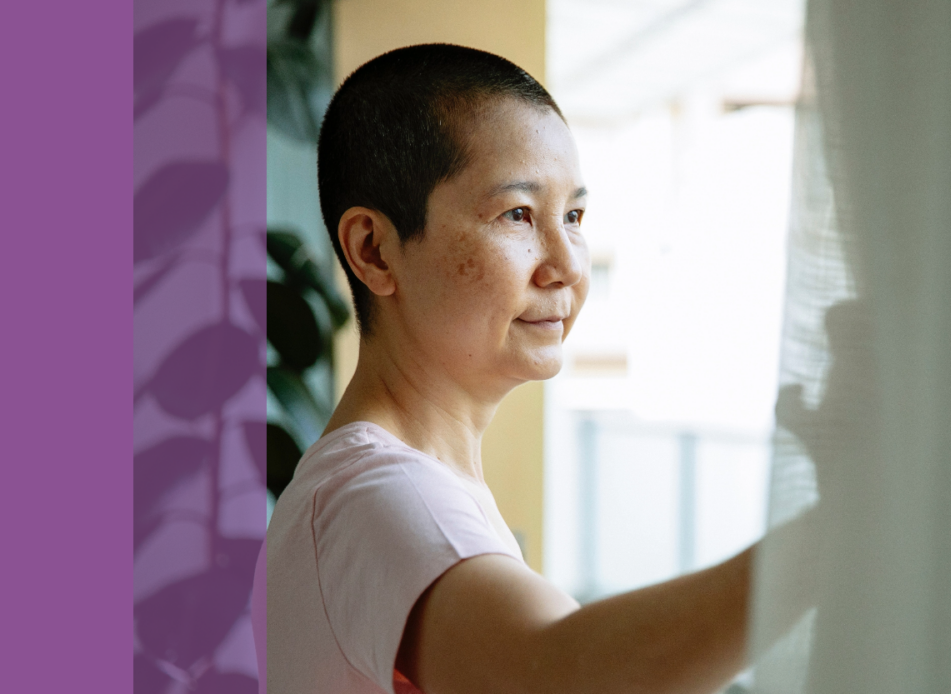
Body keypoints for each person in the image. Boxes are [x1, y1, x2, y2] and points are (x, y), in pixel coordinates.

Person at [262, 43, 813, 694]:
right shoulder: (373, 499)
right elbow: (559, 673)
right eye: (518, 214)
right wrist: (836, 532)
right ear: (374, 250)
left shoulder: (395, 490)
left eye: (573, 216)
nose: (568, 266)